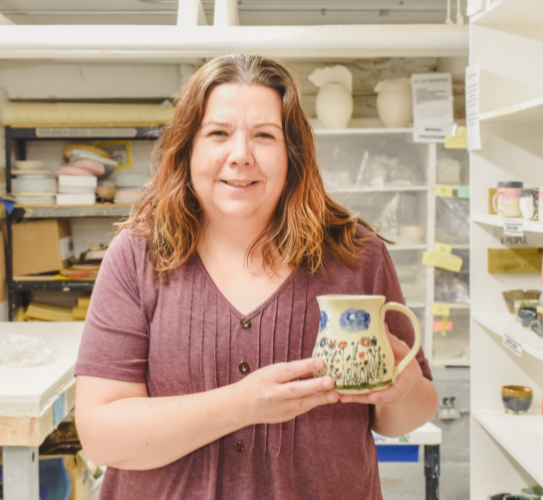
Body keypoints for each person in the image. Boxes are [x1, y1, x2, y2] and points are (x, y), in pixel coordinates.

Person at [74, 53, 438, 500]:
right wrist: (244, 404)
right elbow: (100, 435)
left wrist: (400, 391)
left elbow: (409, 414)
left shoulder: (355, 254)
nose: (240, 156)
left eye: (264, 135)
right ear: (188, 148)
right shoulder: (138, 256)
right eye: (219, 134)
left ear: (293, 153)